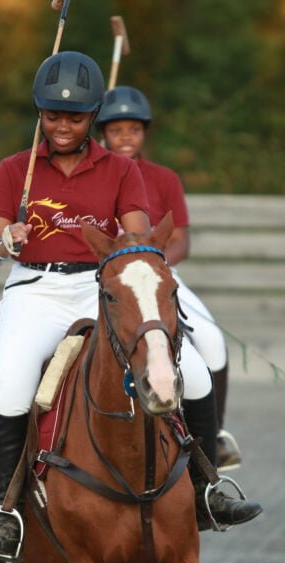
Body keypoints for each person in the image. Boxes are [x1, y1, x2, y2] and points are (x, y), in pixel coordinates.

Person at [0, 51, 260, 561]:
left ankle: (205, 491)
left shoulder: (122, 170)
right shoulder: (16, 169)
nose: (63, 126)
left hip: (99, 287)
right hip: (35, 291)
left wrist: (132, 245)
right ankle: (7, 513)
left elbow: (136, 230)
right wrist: (5, 241)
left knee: (193, 370)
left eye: (76, 117)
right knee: (9, 388)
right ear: (39, 112)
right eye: (53, 115)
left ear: (93, 119)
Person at [95, 85, 243, 472]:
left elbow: (181, 239)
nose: (125, 137)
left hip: (158, 274)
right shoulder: (95, 175)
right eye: (116, 130)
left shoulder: (164, 178)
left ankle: (216, 435)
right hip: (107, 279)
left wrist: (157, 266)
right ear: (102, 134)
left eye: (134, 129)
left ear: (145, 133)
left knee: (210, 338)